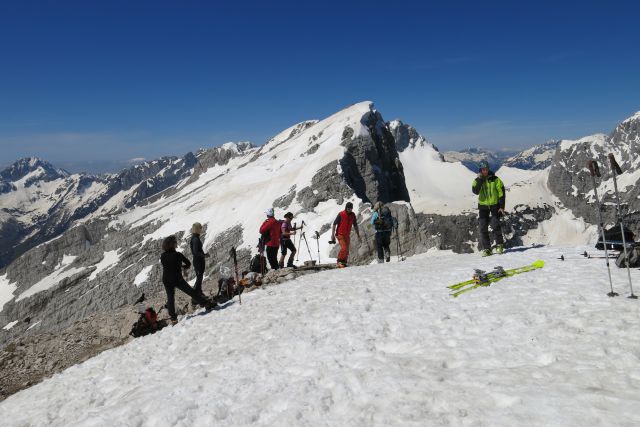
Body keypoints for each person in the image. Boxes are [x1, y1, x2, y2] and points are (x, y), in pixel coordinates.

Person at [161, 235, 215, 324]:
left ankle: (173, 318)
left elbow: (168, 266)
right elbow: (188, 263)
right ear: (172, 244)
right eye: (175, 242)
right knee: (191, 292)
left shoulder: (163, 256)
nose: (176, 243)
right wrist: (183, 267)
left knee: (170, 298)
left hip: (166, 280)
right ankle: (206, 303)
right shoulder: (178, 255)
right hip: (177, 279)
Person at [471, 160, 506, 256]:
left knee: (495, 225)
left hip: (495, 205)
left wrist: (502, 207)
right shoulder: (477, 180)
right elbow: (475, 191)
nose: (485, 171)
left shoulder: (496, 179)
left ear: (488, 169)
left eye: (486, 169)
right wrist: (480, 180)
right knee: (483, 227)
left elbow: (501, 193)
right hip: (483, 206)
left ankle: (499, 245)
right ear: (480, 170)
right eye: (483, 169)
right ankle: (487, 249)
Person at [330, 202, 361, 267]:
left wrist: (358, 235)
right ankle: (339, 261)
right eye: (348, 208)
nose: (349, 210)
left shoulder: (353, 215)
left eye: (350, 209)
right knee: (344, 248)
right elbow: (334, 224)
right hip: (340, 234)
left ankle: (344, 262)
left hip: (347, 235)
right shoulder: (341, 214)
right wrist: (332, 235)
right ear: (346, 208)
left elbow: (355, 225)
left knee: (347, 250)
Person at [189, 222, 210, 304]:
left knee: (199, 277)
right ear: (197, 229)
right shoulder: (195, 239)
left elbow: (195, 252)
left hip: (198, 260)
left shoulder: (195, 238)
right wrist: (204, 255)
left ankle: (199, 293)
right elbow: (195, 252)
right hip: (198, 261)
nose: (201, 229)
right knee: (199, 278)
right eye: (200, 228)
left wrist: (203, 255)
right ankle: (195, 296)